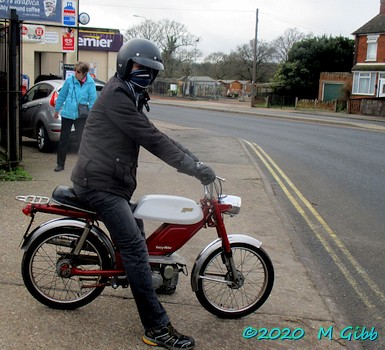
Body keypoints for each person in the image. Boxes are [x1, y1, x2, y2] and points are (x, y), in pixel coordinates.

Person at [70, 38, 215, 349]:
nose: (146, 75)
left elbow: (158, 135)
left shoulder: (128, 93)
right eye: (140, 68)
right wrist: (192, 168)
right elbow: (153, 140)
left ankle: (143, 280)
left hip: (110, 182)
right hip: (98, 185)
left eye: (151, 71)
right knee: (136, 249)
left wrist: (196, 161)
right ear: (125, 65)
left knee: (136, 226)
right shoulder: (117, 96)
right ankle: (156, 327)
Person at [54, 61, 97, 172]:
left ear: (84, 73)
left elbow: (93, 100)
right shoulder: (70, 81)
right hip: (67, 113)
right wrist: (57, 109)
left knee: (81, 141)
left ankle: (83, 165)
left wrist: (92, 116)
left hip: (81, 115)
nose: (75, 73)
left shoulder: (90, 83)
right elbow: (62, 95)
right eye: (75, 71)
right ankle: (60, 164)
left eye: (78, 71)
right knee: (64, 139)